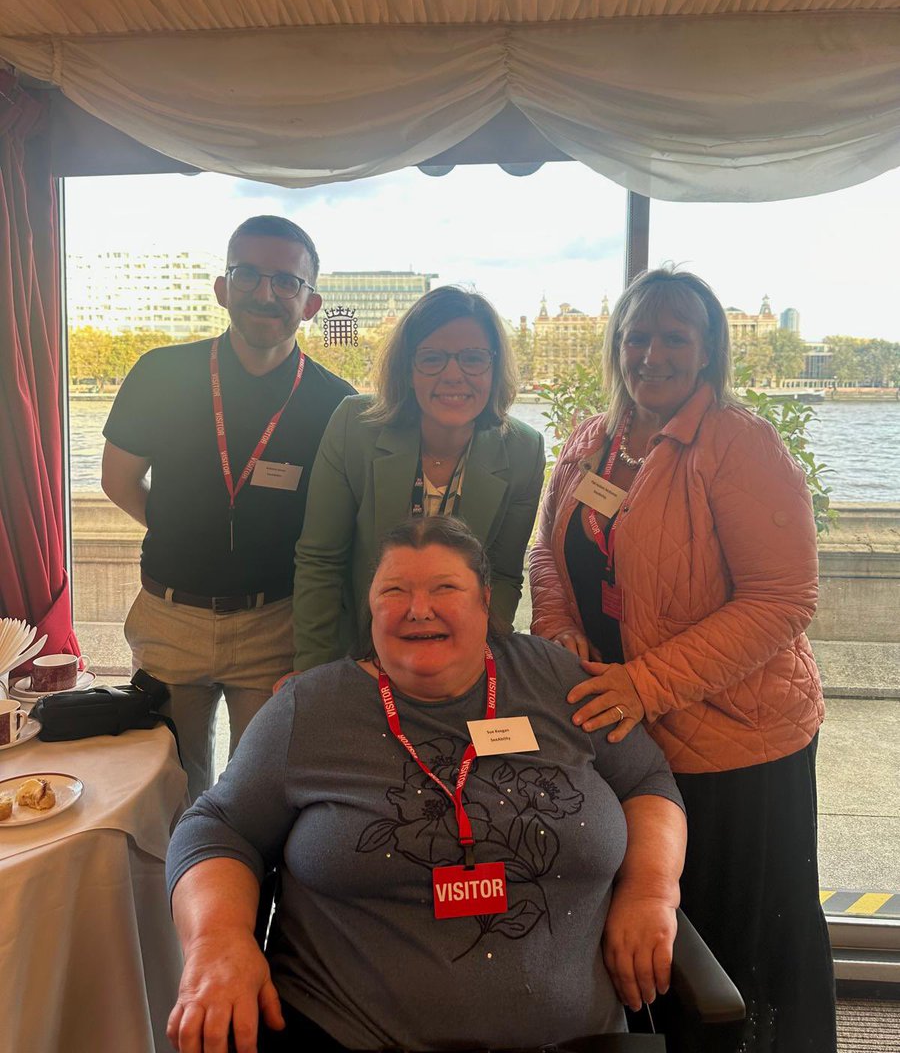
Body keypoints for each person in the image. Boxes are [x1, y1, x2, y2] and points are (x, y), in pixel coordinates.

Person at [166, 516, 686, 1052]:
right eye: (395, 590)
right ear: (370, 605)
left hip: (577, 1038)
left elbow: (646, 780)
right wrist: (216, 941)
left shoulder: (556, 681)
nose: (419, 609)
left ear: (485, 601)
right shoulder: (310, 709)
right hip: (348, 1032)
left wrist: (651, 890)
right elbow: (218, 828)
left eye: (445, 589)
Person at [529, 267, 836, 1053]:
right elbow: (548, 556)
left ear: (707, 353)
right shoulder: (593, 439)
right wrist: (562, 632)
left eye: (674, 337)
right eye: (637, 336)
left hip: (737, 742)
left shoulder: (739, 443)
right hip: (627, 738)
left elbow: (783, 600)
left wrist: (644, 684)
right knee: (648, 931)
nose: (651, 354)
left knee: (740, 941)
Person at [102, 215, 355, 801]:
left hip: (276, 624)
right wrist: (183, 533)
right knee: (168, 793)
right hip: (171, 619)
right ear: (223, 287)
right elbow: (117, 480)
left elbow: (341, 529)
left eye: (285, 282)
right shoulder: (161, 373)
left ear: (311, 302)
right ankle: (173, 895)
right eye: (247, 275)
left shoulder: (337, 404)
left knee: (260, 795)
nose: (265, 293)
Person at [291, 285, 545, 673]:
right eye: (432, 358)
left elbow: (504, 576)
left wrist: (468, 663)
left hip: (455, 660)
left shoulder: (524, 451)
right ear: (407, 370)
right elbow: (320, 562)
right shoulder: (354, 426)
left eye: (474, 359)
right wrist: (314, 677)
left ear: (494, 369)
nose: (454, 375)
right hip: (355, 652)